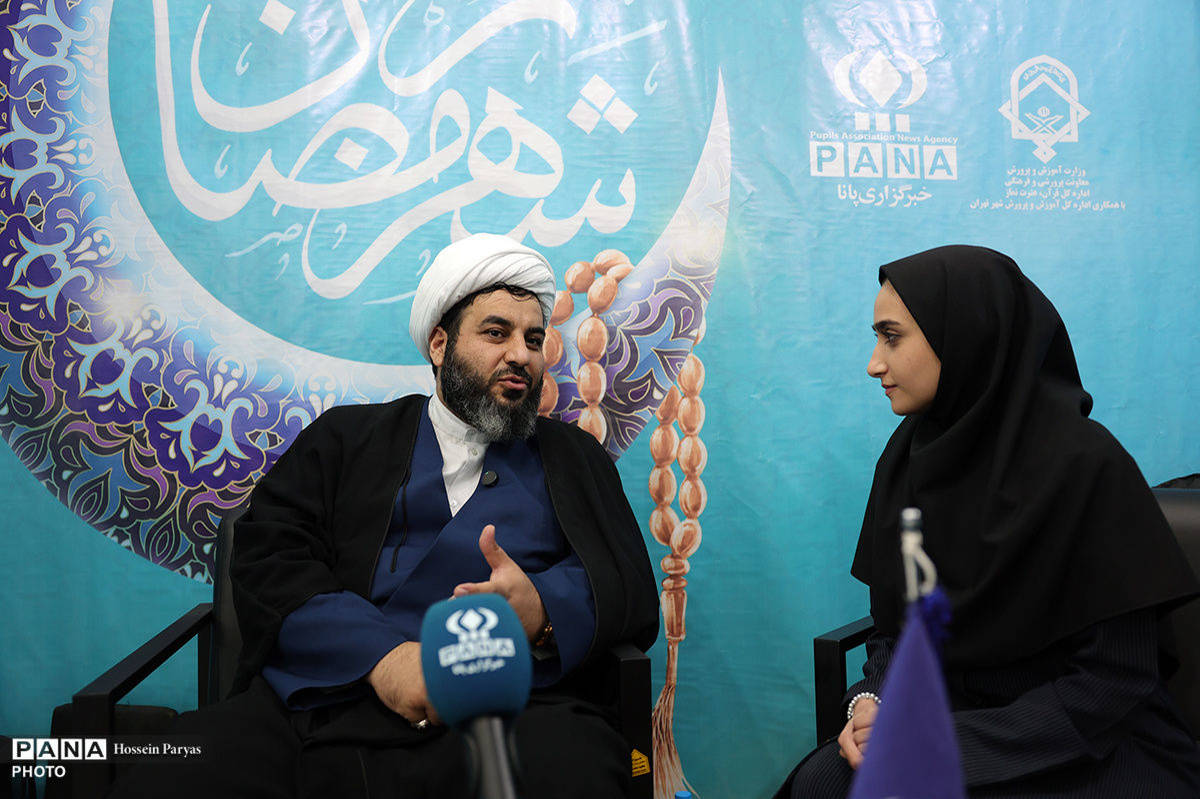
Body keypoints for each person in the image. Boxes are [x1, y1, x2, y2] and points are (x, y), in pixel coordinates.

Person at [110, 233, 659, 799]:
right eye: (497, 333)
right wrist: (385, 659)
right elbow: (271, 558)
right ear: (440, 344)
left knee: (577, 772)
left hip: (511, 713)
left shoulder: (573, 457)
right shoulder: (346, 439)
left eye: (533, 339)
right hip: (331, 701)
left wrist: (542, 609)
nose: (521, 354)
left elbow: (626, 583)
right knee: (170, 778)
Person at [782, 245, 1200, 798]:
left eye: (892, 337)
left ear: (964, 334)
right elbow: (895, 632)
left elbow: (1114, 682)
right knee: (821, 786)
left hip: (1077, 739)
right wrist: (871, 703)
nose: (874, 364)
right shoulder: (908, 458)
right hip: (940, 713)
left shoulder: (1086, 466)